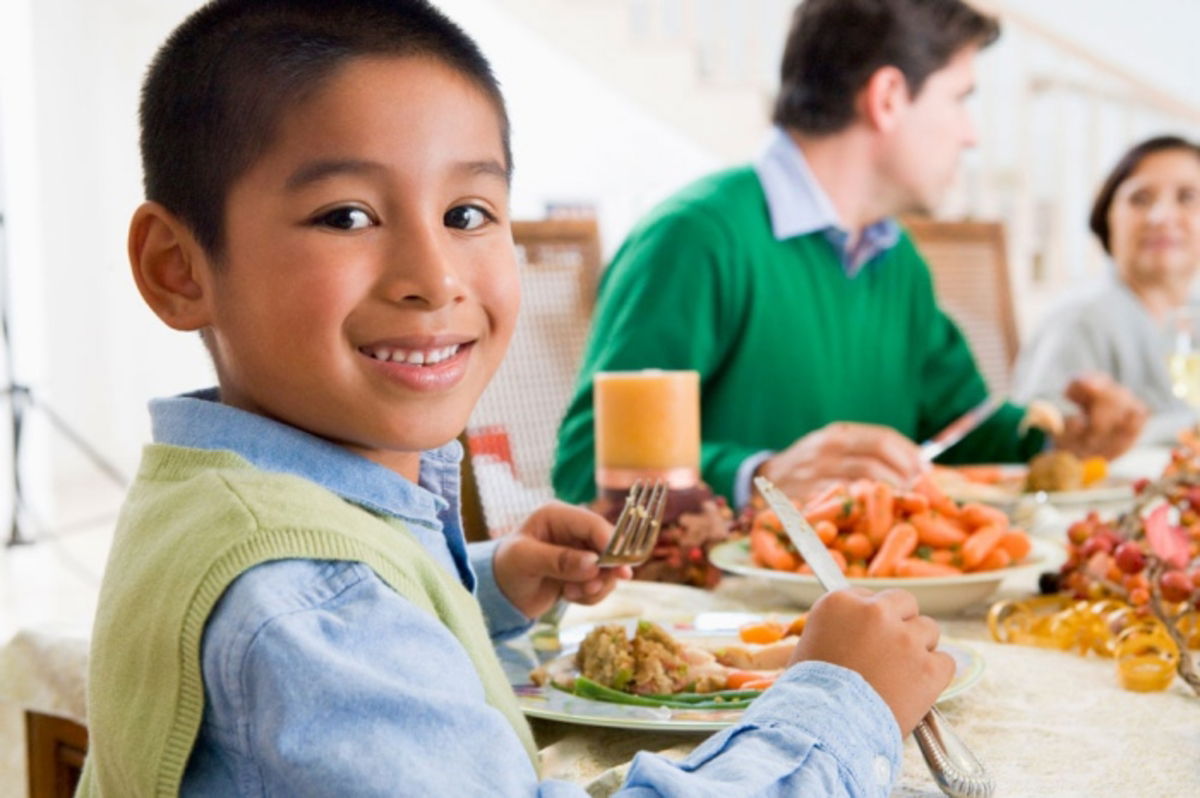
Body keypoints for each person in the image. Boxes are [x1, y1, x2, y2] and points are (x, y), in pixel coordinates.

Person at [79, 1, 955, 795]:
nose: (433, 278)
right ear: (178, 268)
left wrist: (487, 583)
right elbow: (341, 628)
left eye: (468, 214)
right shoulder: (312, 602)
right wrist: (838, 705)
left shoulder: (221, 496)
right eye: (346, 216)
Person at [552, 0, 1146, 509]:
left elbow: (959, 432)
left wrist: (1059, 440)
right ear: (887, 97)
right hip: (719, 621)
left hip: (859, 599)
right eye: (960, 99)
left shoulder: (896, 258)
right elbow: (586, 470)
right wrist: (759, 476)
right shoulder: (697, 237)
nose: (972, 135)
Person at [1013, 135, 1200, 444]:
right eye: (1140, 199)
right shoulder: (1079, 321)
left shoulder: (1190, 316)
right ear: (1107, 216)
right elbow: (1037, 439)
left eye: (1188, 197)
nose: (1161, 217)